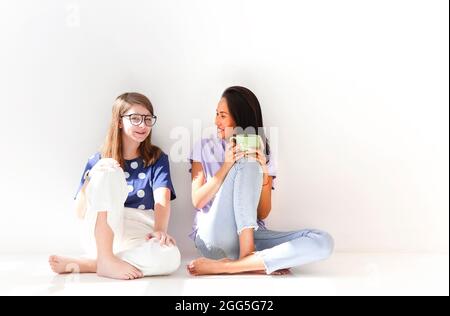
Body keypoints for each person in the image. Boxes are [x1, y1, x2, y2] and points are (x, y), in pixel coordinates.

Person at [188, 86, 334, 275]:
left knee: (323, 241)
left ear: (239, 118)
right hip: (214, 237)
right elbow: (197, 200)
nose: (216, 121)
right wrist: (227, 165)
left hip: (252, 235)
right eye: (217, 114)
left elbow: (262, 213)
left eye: (222, 115)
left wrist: (263, 172)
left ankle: (239, 265)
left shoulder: (263, 152)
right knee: (247, 162)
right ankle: (250, 258)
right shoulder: (203, 147)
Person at [49, 92, 180, 280]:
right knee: (109, 168)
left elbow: (162, 199)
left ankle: (96, 263)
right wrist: (94, 175)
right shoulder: (98, 160)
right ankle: (105, 255)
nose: (142, 125)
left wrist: (160, 230)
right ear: (119, 121)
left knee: (171, 257)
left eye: (147, 119)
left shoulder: (156, 158)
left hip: (140, 232)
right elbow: (79, 212)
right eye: (135, 118)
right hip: (103, 230)